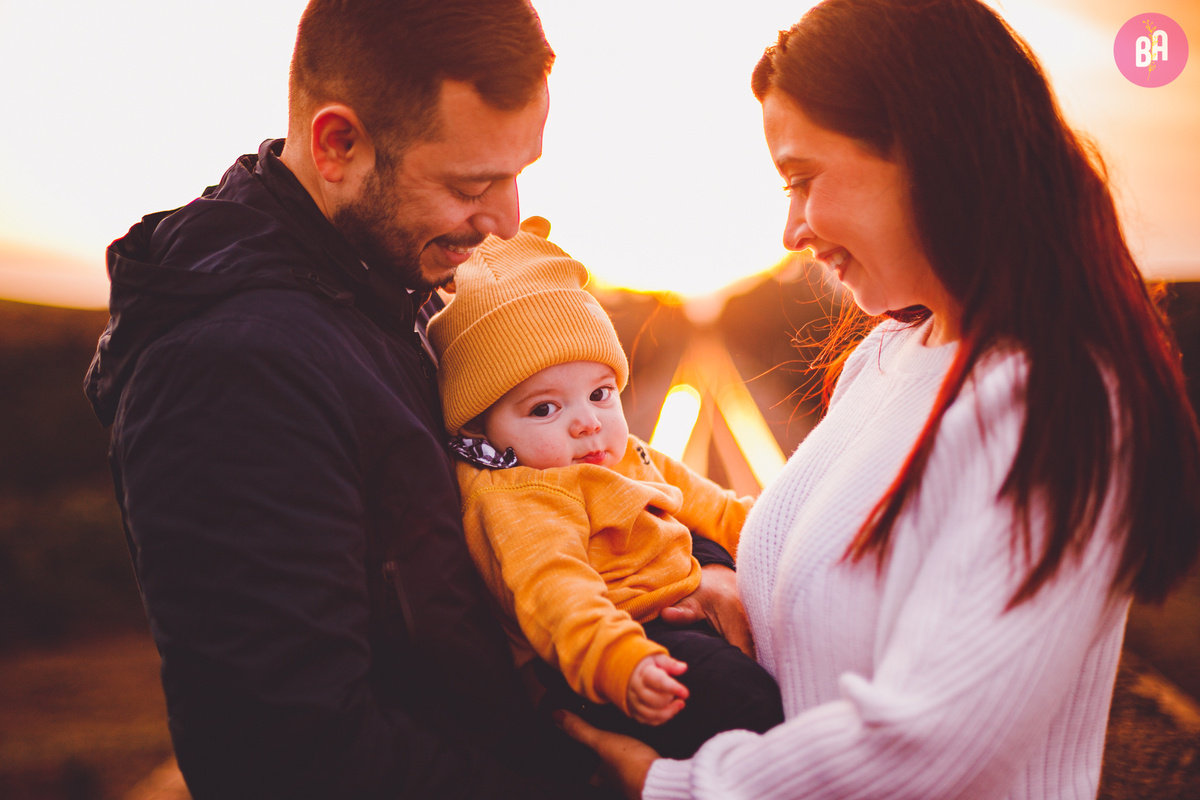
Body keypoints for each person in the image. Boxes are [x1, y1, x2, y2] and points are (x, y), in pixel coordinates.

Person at [81, 2, 747, 797]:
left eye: (518, 173)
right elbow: (287, 758)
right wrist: (592, 785)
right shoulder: (231, 369)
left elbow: (527, 496)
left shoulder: (396, 289)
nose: (504, 219)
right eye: (473, 183)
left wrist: (691, 567)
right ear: (338, 145)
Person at [558, 1, 1200, 798]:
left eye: (802, 179)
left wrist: (672, 785)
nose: (792, 227)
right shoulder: (891, 356)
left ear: (925, 151)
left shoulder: (1047, 399)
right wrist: (727, 591)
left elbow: (936, 741)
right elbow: (846, 604)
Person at [425, 227, 784, 759]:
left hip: (666, 621)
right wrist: (622, 660)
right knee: (746, 701)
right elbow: (555, 592)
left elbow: (718, 509)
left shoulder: (624, 453)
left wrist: (785, 532)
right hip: (612, 650)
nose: (587, 423)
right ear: (482, 428)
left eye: (599, 394)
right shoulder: (523, 496)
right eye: (545, 408)